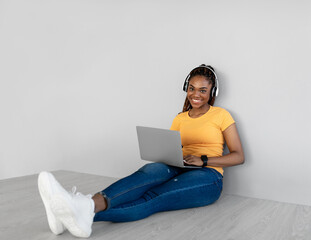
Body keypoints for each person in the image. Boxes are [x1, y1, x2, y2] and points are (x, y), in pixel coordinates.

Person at [38, 64, 245, 238]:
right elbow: (172, 147)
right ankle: (78, 209)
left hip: (208, 176)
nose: (195, 94)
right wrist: (170, 157)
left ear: (212, 92)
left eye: (202, 90)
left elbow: (238, 155)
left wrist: (204, 160)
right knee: (149, 172)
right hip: (180, 165)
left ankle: (80, 209)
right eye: (191, 88)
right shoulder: (180, 118)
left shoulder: (221, 115)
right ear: (186, 88)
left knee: (155, 196)